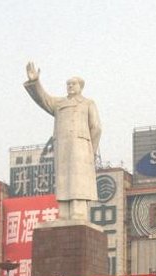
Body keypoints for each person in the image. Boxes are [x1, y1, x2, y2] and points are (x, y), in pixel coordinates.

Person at [23, 61, 102, 222]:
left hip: (81, 146)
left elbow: (96, 127)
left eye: (73, 84)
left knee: (78, 180)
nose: (70, 86)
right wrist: (35, 82)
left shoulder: (88, 103)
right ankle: (64, 212)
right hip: (63, 147)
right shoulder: (59, 104)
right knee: (64, 179)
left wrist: (90, 151)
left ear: (81, 86)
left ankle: (78, 212)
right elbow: (43, 99)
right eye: (68, 84)